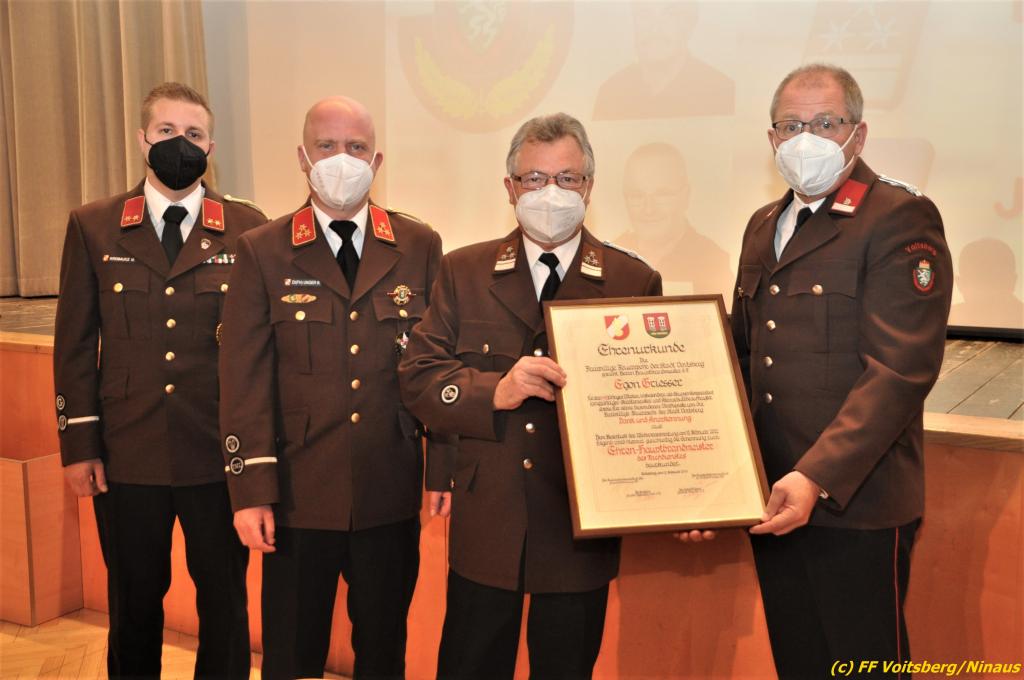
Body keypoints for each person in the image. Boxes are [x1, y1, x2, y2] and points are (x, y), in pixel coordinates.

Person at [398, 113, 671, 680]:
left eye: (567, 178)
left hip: (579, 522)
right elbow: (418, 376)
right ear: (510, 188)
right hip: (489, 516)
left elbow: (654, 406)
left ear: (589, 187)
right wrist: (494, 390)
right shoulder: (464, 270)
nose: (551, 192)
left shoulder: (632, 280)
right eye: (535, 179)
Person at [732, 64, 952, 678]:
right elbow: (742, 355)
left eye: (826, 123)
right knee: (799, 661)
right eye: (791, 126)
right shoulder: (763, 226)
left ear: (858, 133)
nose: (806, 138)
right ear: (772, 138)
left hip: (853, 502)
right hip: (774, 498)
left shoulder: (899, 217)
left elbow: (900, 370)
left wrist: (816, 476)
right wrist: (716, 478)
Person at [218, 96, 448, 680]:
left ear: (377, 160)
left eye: (356, 147)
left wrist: (440, 469)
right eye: (326, 146)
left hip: (387, 488)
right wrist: (250, 491)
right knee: (291, 655)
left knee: (384, 652)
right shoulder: (263, 250)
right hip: (299, 495)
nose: (341, 159)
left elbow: (436, 366)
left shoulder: (418, 245)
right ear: (303, 157)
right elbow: (243, 378)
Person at [53, 82, 265, 678]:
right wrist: (79, 445)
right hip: (128, 454)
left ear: (211, 147)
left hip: (217, 454)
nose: (180, 144)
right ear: (142, 139)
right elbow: (75, 344)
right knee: (133, 603)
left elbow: (259, 353)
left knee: (225, 605)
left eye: (194, 134)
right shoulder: (95, 226)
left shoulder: (248, 229)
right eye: (167, 131)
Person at [613, 142, 733, 297]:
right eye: (637, 196)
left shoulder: (712, 262)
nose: (648, 209)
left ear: (685, 196)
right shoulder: (610, 260)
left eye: (662, 194)